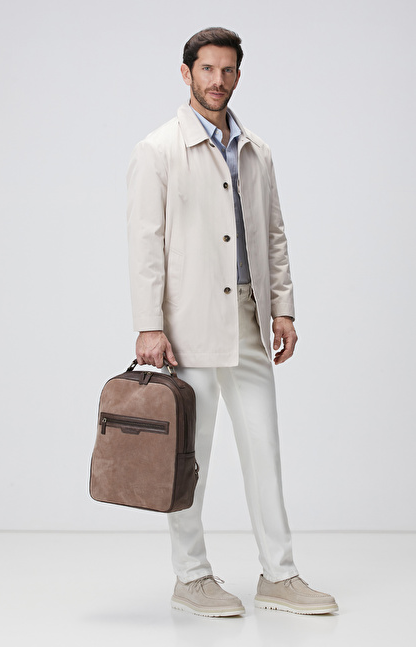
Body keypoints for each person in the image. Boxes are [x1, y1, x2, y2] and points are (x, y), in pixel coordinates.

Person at [127, 27, 337, 617]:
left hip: (247, 318)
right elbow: (144, 245)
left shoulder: (256, 151)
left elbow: (273, 234)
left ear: (238, 75)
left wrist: (283, 307)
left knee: (264, 450)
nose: (217, 80)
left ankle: (280, 575)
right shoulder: (158, 150)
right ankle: (191, 577)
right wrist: (148, 324)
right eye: (207, 69)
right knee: (188, 457)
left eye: (227, 70)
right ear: (186, 73)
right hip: (186, 325)